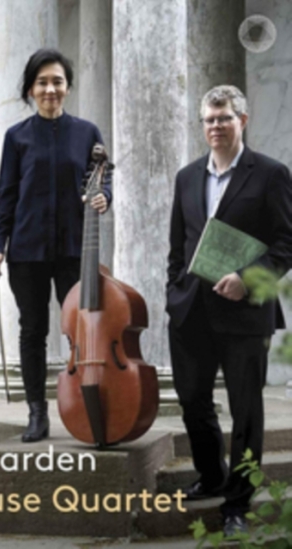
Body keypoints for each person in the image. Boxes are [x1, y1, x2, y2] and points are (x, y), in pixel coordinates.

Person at [166, 85, 292, 535]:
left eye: (224, 118)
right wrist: (173, 293)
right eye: (209, 119)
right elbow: (177, 247)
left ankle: (238, 503)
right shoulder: (186, 177)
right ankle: (212, 475)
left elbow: (286, 244)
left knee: (246, 411)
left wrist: (247, 279)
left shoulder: (271, 174)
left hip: (244, 314)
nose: (216, 126)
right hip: (190, 311)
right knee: (193, 401)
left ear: (243, 120)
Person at [0, 48, 113, 443]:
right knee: (33, 331)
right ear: (30, 89)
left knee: (81, 327)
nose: (50, 89)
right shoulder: (16, 137)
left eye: (57, 81)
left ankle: (84, 404)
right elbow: (6, 196)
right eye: (42, 82)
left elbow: (103, 177)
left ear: (68, 87)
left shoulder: (87, 133)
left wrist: (104, 195)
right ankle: (37, 412)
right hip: (27, 250)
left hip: (75, 248)